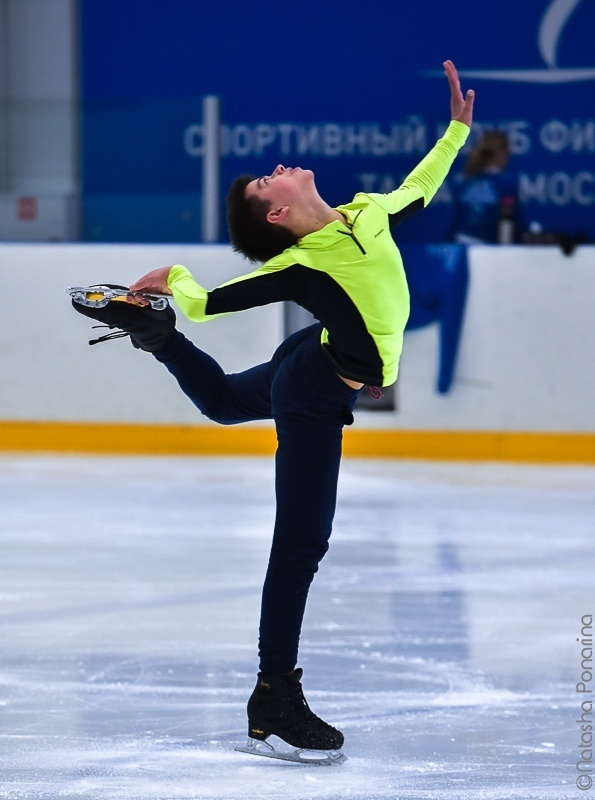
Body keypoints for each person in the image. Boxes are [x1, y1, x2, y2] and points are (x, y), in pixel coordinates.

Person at [71, 60, 474, 762]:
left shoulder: (365, 211)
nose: (276, 168)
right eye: (266, 182)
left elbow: (420, 187)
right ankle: (275, 694)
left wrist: (455, 133)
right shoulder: (303, 263)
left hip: (312, 359)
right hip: (317, 384)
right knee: (300, 545)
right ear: (280, 215)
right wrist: (174, 278)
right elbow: (206, 300)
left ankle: (157, 340)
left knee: (227, 402)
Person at [447, 129, 519, 244]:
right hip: (487, 249)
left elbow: (452, 221)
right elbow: (514, 225)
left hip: (459, 243)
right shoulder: (505, 185)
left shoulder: (463, 182)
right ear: (501, 154)